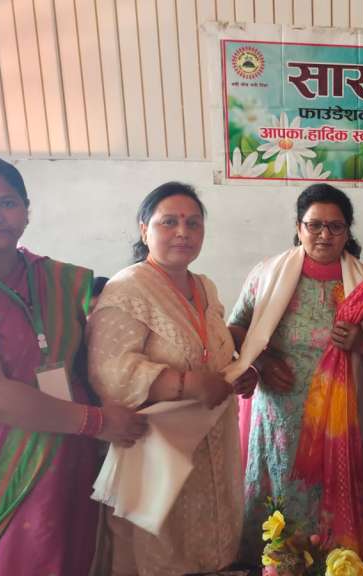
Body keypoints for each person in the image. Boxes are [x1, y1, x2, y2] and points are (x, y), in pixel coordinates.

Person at [0, 155, 148, 575]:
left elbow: (104, 350)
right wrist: (97, 422)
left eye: (7, 202)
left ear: (27, 210)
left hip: (68, 456)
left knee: (72, 556)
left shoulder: (58, 279)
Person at [87, 182, 249, 575]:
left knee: (210, 546)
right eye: (169, 222)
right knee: (158, 554)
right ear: (145, 230)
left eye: (193, 223)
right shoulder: (126, 289)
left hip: (210, 441)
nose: (183, 232)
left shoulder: (205, 286)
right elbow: (109, 372)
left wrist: (238, 372)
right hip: (154, 449)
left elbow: (213, 350)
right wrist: (188, 384)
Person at [229, 183, 363, 559]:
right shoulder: (267, 274)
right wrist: (262, 361)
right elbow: (236, 328)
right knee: (281, 498)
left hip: (340, 419)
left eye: (335, 226)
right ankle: (275, 563)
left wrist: (362, 344)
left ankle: (335, 561)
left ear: (347, 231)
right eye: (314, 224)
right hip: (280, 413)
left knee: (329, 504)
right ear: (299, 227)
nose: (324, 234)